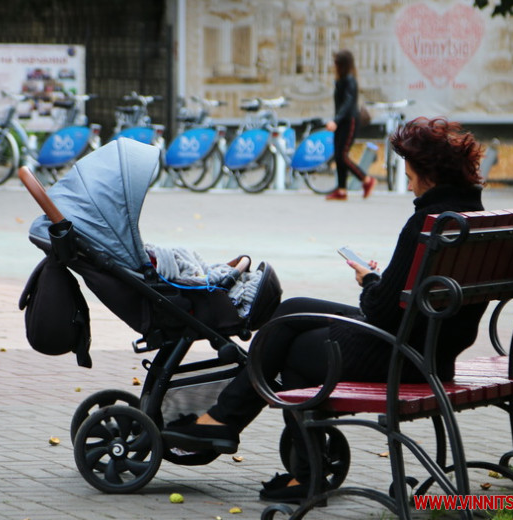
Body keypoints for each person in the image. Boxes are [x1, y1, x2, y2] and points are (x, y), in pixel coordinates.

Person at [162, 117, 488, 502]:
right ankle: (224, 422)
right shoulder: (473, 219)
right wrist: (379, 285)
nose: (409, 181)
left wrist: (369, 280)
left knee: (290, 352)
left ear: (429, 175)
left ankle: (291, 465)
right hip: (432, 349)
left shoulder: (427, 223)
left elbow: (381, 308)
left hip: (398, 353)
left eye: (410, 172)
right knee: (292, 311)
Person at [324, 49, 376, 201]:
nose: (334, 65)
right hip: (341, 121)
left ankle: (366, 180)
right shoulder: (341, 80)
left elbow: (347, 104)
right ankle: (341, 190)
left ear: (343, 65)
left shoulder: (350, 80)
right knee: (339, 156)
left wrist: (336, 120)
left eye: (336, 63)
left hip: (349, 121)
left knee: (342, 155)